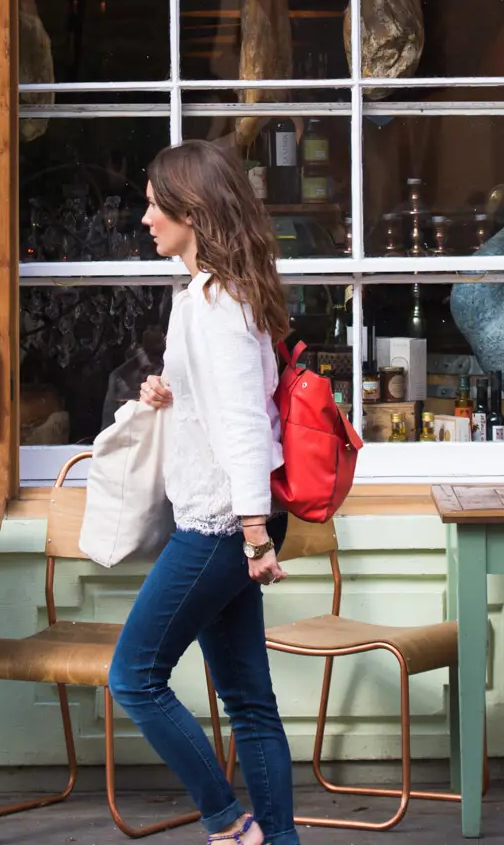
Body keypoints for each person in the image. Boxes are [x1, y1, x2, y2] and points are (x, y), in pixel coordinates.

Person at [112, 139, 297, 845]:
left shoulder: (216, 301)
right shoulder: (208, 297)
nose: (145, 219)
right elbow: (220, 402)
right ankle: (275, 840)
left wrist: (253, 532)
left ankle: (227, 822)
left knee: (135, 676)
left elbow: (247, 421)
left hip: (222, 523)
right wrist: (168, 391)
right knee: (248, 700)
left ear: (190, 210)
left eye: (154, 204)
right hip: (230, 519)